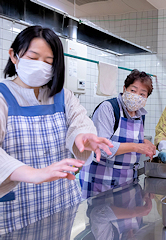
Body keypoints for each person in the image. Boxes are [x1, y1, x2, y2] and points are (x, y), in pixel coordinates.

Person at [0, 25, 113, 235]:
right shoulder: (3, 96)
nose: (40, 66)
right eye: (33, 58)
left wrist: (83, 137)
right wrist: (34, 173)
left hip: (61, 202)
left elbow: (80, 121)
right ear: (14, 56)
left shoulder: (63, 96)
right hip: (16, 208)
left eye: (48, 62)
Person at [80, 70, 156, 198]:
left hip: (125, 180)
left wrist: (143, 141)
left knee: (126, 215)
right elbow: (102, 147)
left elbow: (128, 136)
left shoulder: (140, 114)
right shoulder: (109, 108)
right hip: (101, 178)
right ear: (124, 88)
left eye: (142, 94)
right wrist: (137, 147)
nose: (137, 96)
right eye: (133, 90)